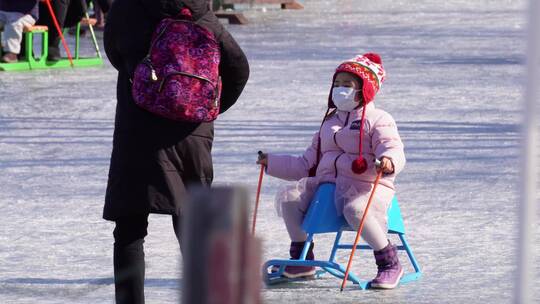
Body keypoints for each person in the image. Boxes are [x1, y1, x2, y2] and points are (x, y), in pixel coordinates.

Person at [102, 0, 249, 303]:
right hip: (191, 135)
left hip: (138, 128)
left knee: (130, 227)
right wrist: (205, 107)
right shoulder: (200, 11)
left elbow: (115, 51)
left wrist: (147, 85)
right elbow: (238, 68)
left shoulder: (128, 8)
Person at [257, 53, 405, 289]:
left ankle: (389, 262)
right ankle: (303, 260)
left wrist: (388, 161)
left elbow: (393, 147)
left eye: (347, 85)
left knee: (356, 209)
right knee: (289, 199)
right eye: (336, 84)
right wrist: (271, 162)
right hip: (328, 189)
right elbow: (306, 165)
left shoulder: (378, 119)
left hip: (366, 187)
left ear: (364, 90)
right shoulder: (328, 123)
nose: (340, 90)